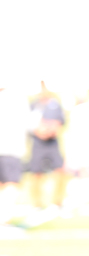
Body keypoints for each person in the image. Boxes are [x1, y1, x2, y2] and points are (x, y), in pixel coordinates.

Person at [25, 83, 68, 214]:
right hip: (38, 143)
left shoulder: (55, 104)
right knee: (36, 172)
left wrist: (50, 129)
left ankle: (58, 201)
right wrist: (39, 131)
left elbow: (59, 123)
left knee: (60, 170)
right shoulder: (33, 105)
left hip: (52, 143)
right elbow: (29, 124)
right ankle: (37, 203)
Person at [0, 85, 30, 225]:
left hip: (9, 148)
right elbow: (29, 123)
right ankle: (5, 218)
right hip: (11, 149)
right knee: (11, 183)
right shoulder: (18, 99)